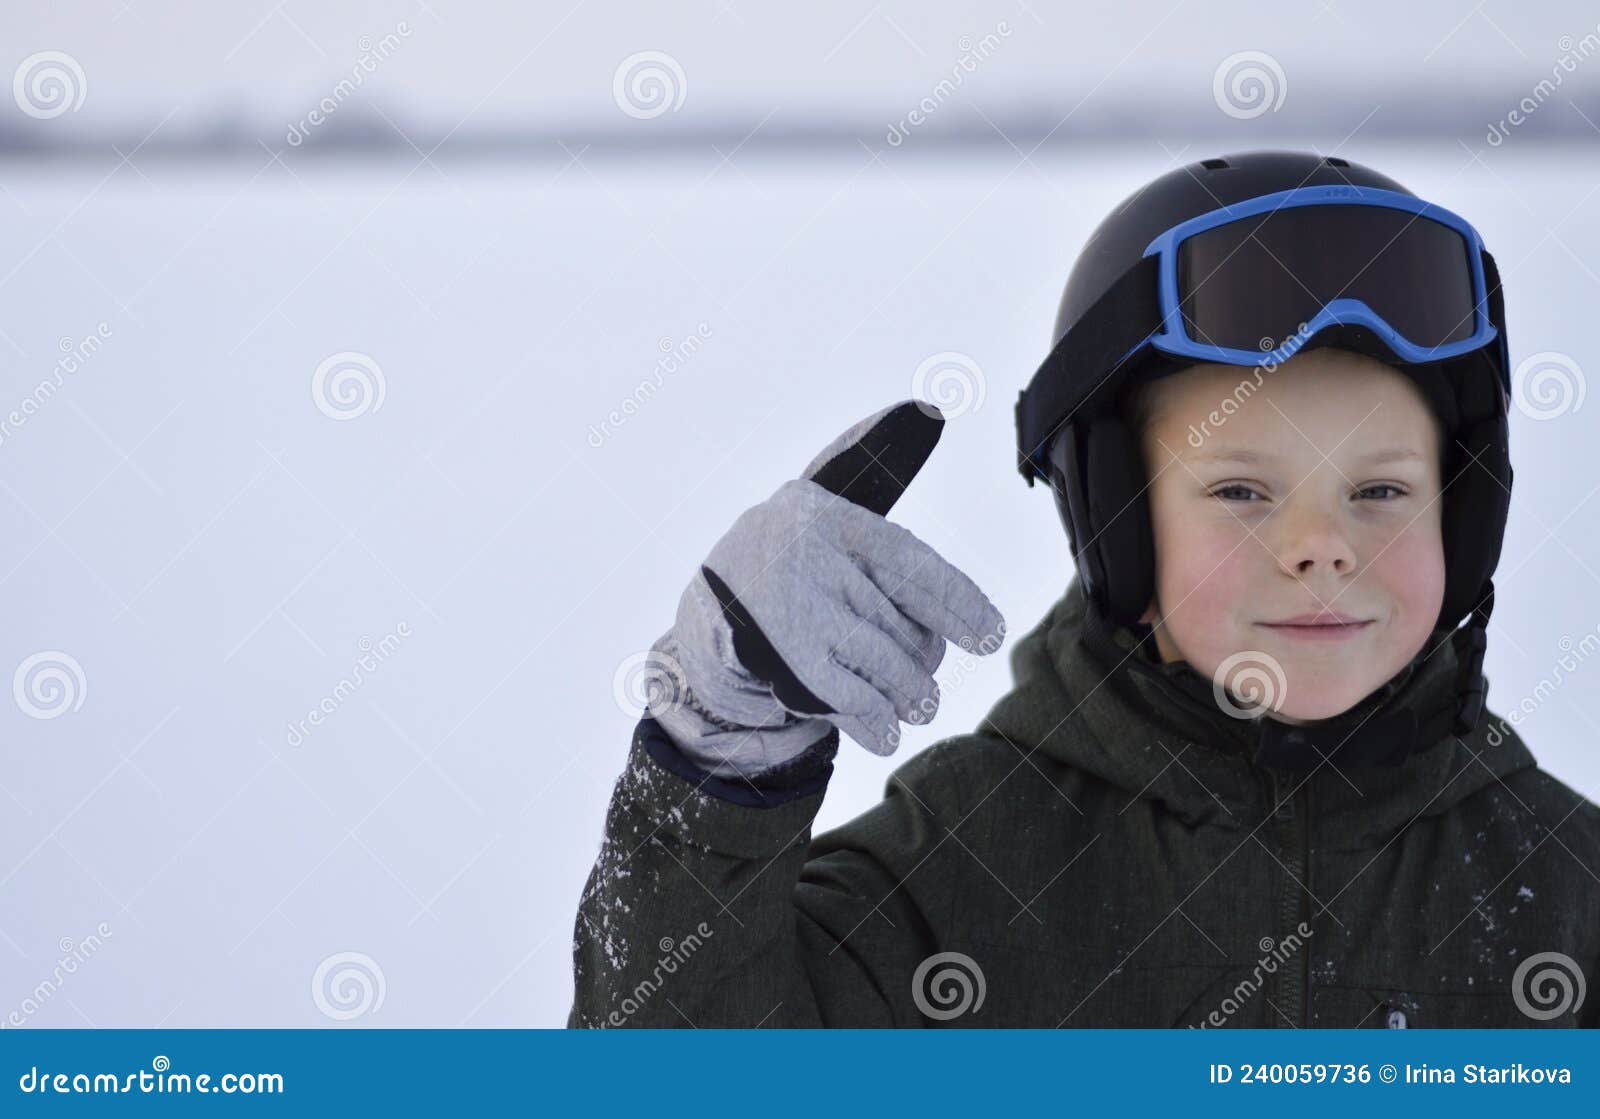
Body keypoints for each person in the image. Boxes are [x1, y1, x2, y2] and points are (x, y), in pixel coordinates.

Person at [567, 150, 1600, 1027]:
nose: (1322, 546)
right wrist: (719, 766)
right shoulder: (971, 864)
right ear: (1117, 527)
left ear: (1461, 519)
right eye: (1241, 489)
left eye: (1380, 489)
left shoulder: (1559, 888)